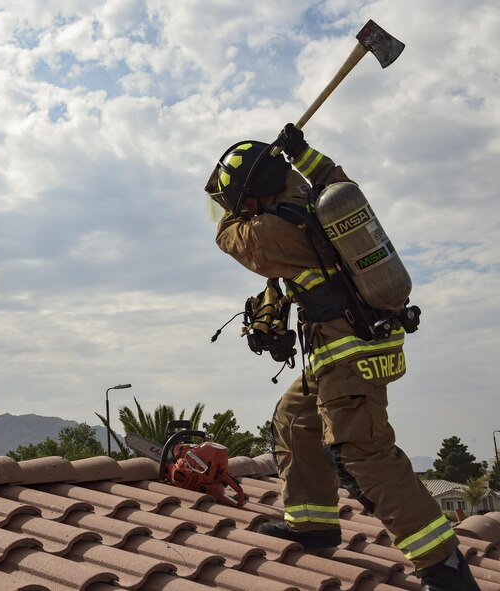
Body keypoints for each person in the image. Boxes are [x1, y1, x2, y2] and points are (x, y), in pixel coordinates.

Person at [204, 124, 479, 591]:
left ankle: (444, 566)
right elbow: (335, 173)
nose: (234, 213)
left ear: (255, 197)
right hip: (361, 340)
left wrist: (237, 205)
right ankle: (312, 523)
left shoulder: (276, 230)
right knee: (294, 419)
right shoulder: (321, 198)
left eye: (238, 203)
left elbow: (230, 239)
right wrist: (301, 154)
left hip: (346, 352)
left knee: (361, 453)